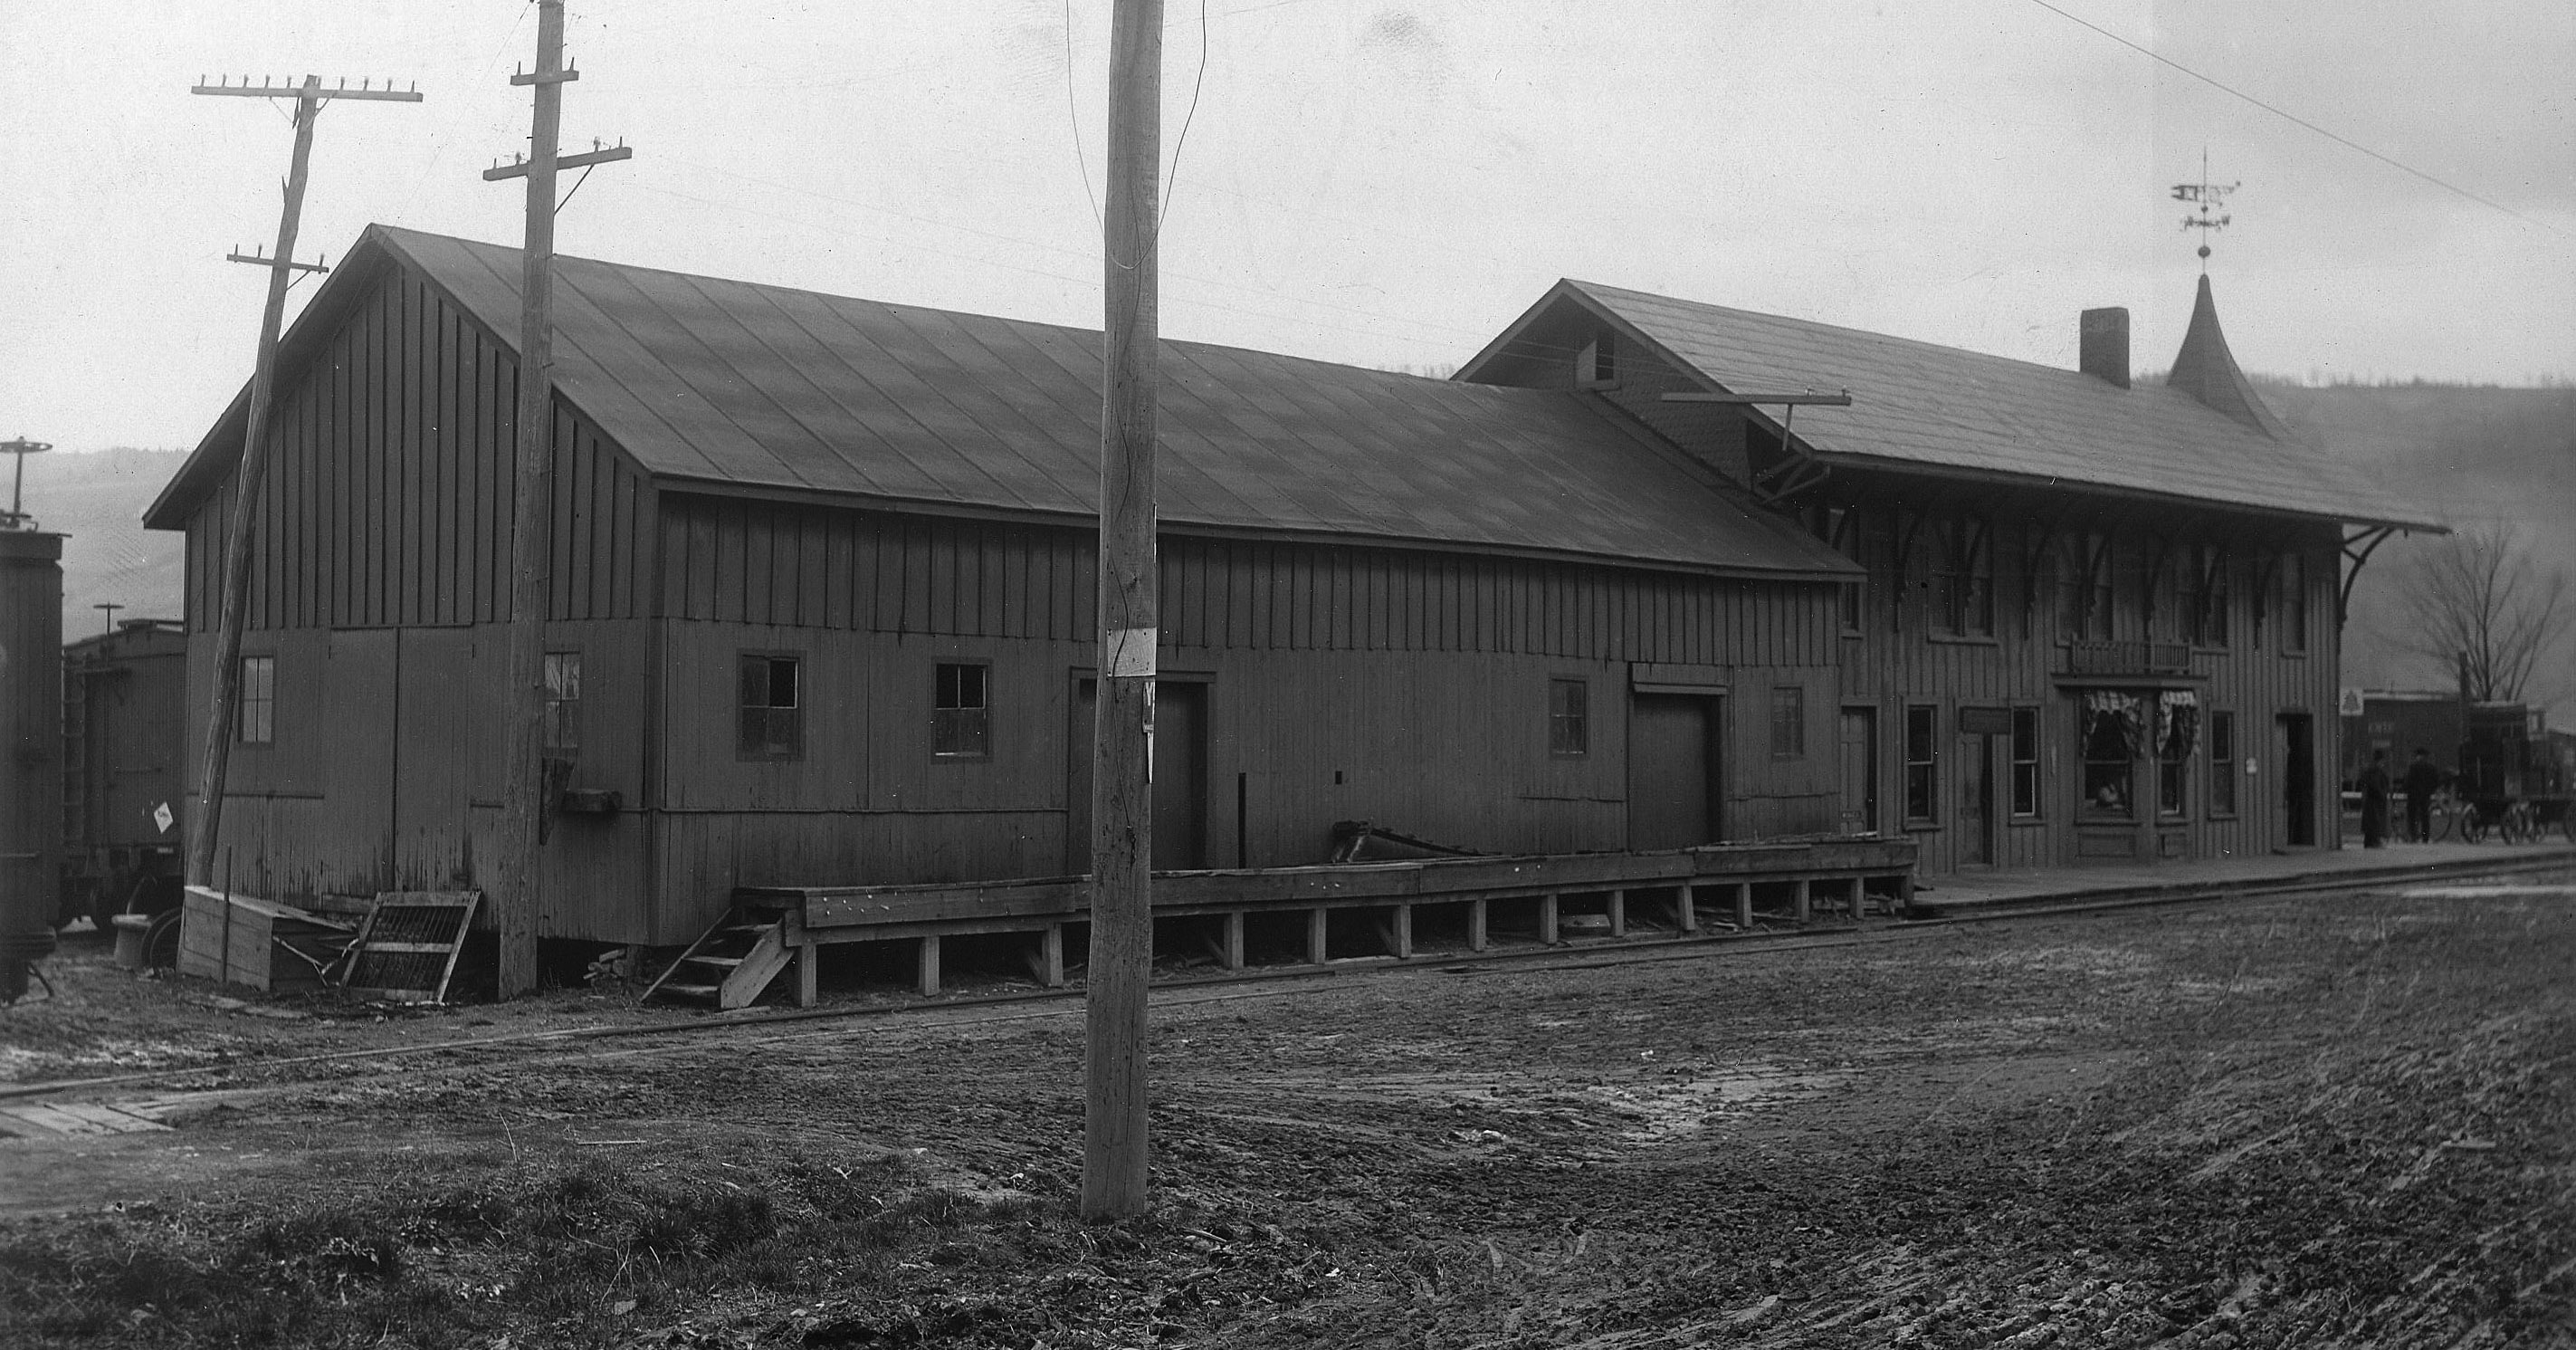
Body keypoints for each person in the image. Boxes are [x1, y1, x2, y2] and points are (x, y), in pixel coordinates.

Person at [2403, 748, 2443, 843]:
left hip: (2413, 795)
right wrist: (2430, 790)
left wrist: (2406, 789)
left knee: (2412, 817)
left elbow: (2408, 781)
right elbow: (2436, 781)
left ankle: (2413, 836)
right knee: (2425, 817)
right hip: (2425, 795)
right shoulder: (2431, 767)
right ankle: (2425, 837)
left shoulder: (2413, 767)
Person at [2361, 750, 2392, 848]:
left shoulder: (2370, 770)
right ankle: (2374, 842)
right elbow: (2377, 785)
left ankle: (2369, 842)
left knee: (2371, 823)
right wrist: (2383, 794)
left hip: (2370, 801)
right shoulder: (2376, 771)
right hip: (2376, 801)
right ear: (2381, 760)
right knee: (2375, 822)